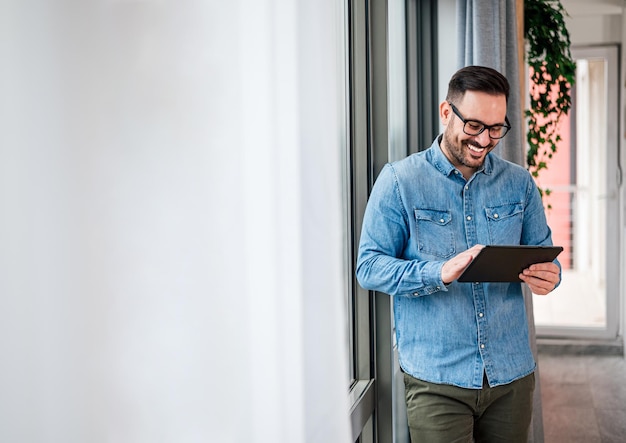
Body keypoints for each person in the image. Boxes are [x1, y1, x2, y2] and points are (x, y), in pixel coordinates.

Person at [356, 65, 561, 443]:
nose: (485, 140)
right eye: (474, 126)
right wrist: (437, 272)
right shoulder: (400, 181)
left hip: (510, 375)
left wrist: (551, 276)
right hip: (438, 381)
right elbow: (369, 267)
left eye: (497, 128)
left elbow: (547, 256)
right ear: (446, 112)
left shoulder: (519, 183)